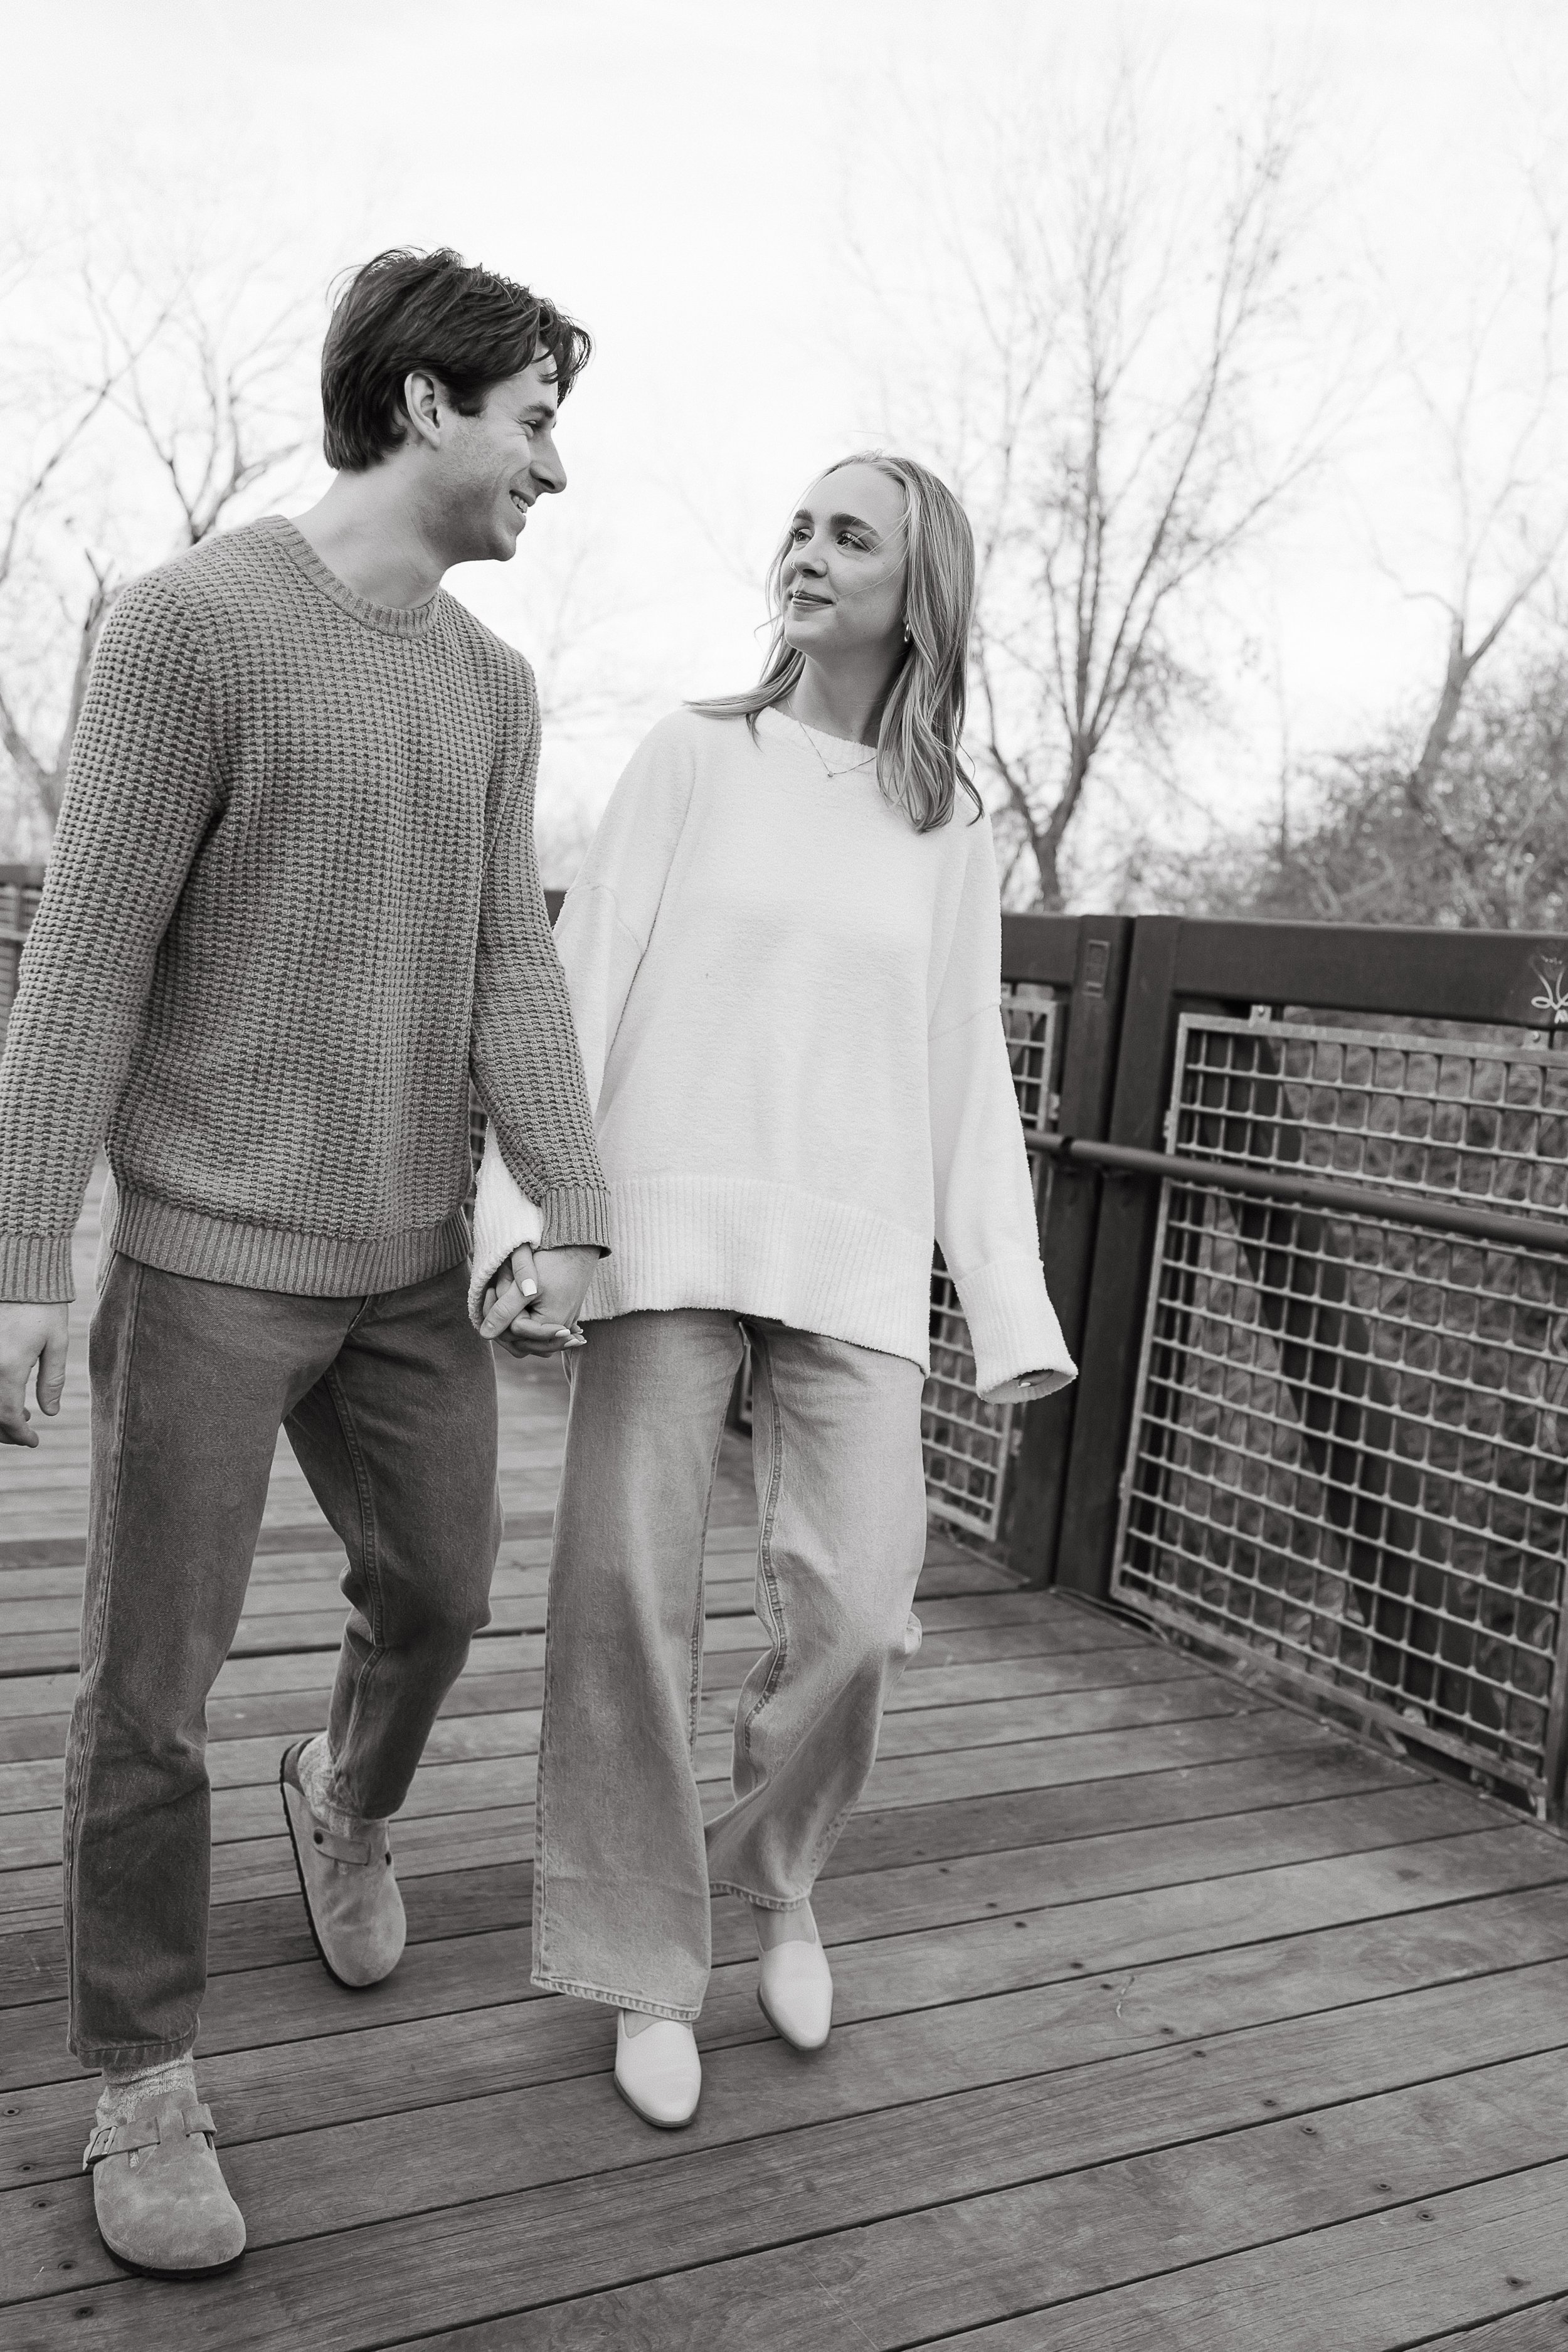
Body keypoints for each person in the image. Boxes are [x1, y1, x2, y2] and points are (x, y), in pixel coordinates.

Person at [0, 248, 609, 2275]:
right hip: (203, 1257)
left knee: (439, 1589)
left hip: (408, 1262)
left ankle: (342, 1804)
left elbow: (507, 956)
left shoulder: (493, 688)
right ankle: (139, 2076)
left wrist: (575, 1199)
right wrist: (21, 1259)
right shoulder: (188, 629)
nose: (552, 465)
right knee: (144, 1691)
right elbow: (84, 955)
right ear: (426, 404)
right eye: (534, 416)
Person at [472, 450, 1076, 2129]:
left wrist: (1006, 1308)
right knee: (623, 1601)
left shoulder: (950, 819)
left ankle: (779, 1875)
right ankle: (641, 1963)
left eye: (850, 536)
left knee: (860, 1607)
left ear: (915, 589)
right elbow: (576, 988)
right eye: (800, 525)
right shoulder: (692, 755)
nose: (805, 552)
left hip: (856, 1249)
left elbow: (966, 1069)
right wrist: (524, 1219)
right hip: (664, 1229)